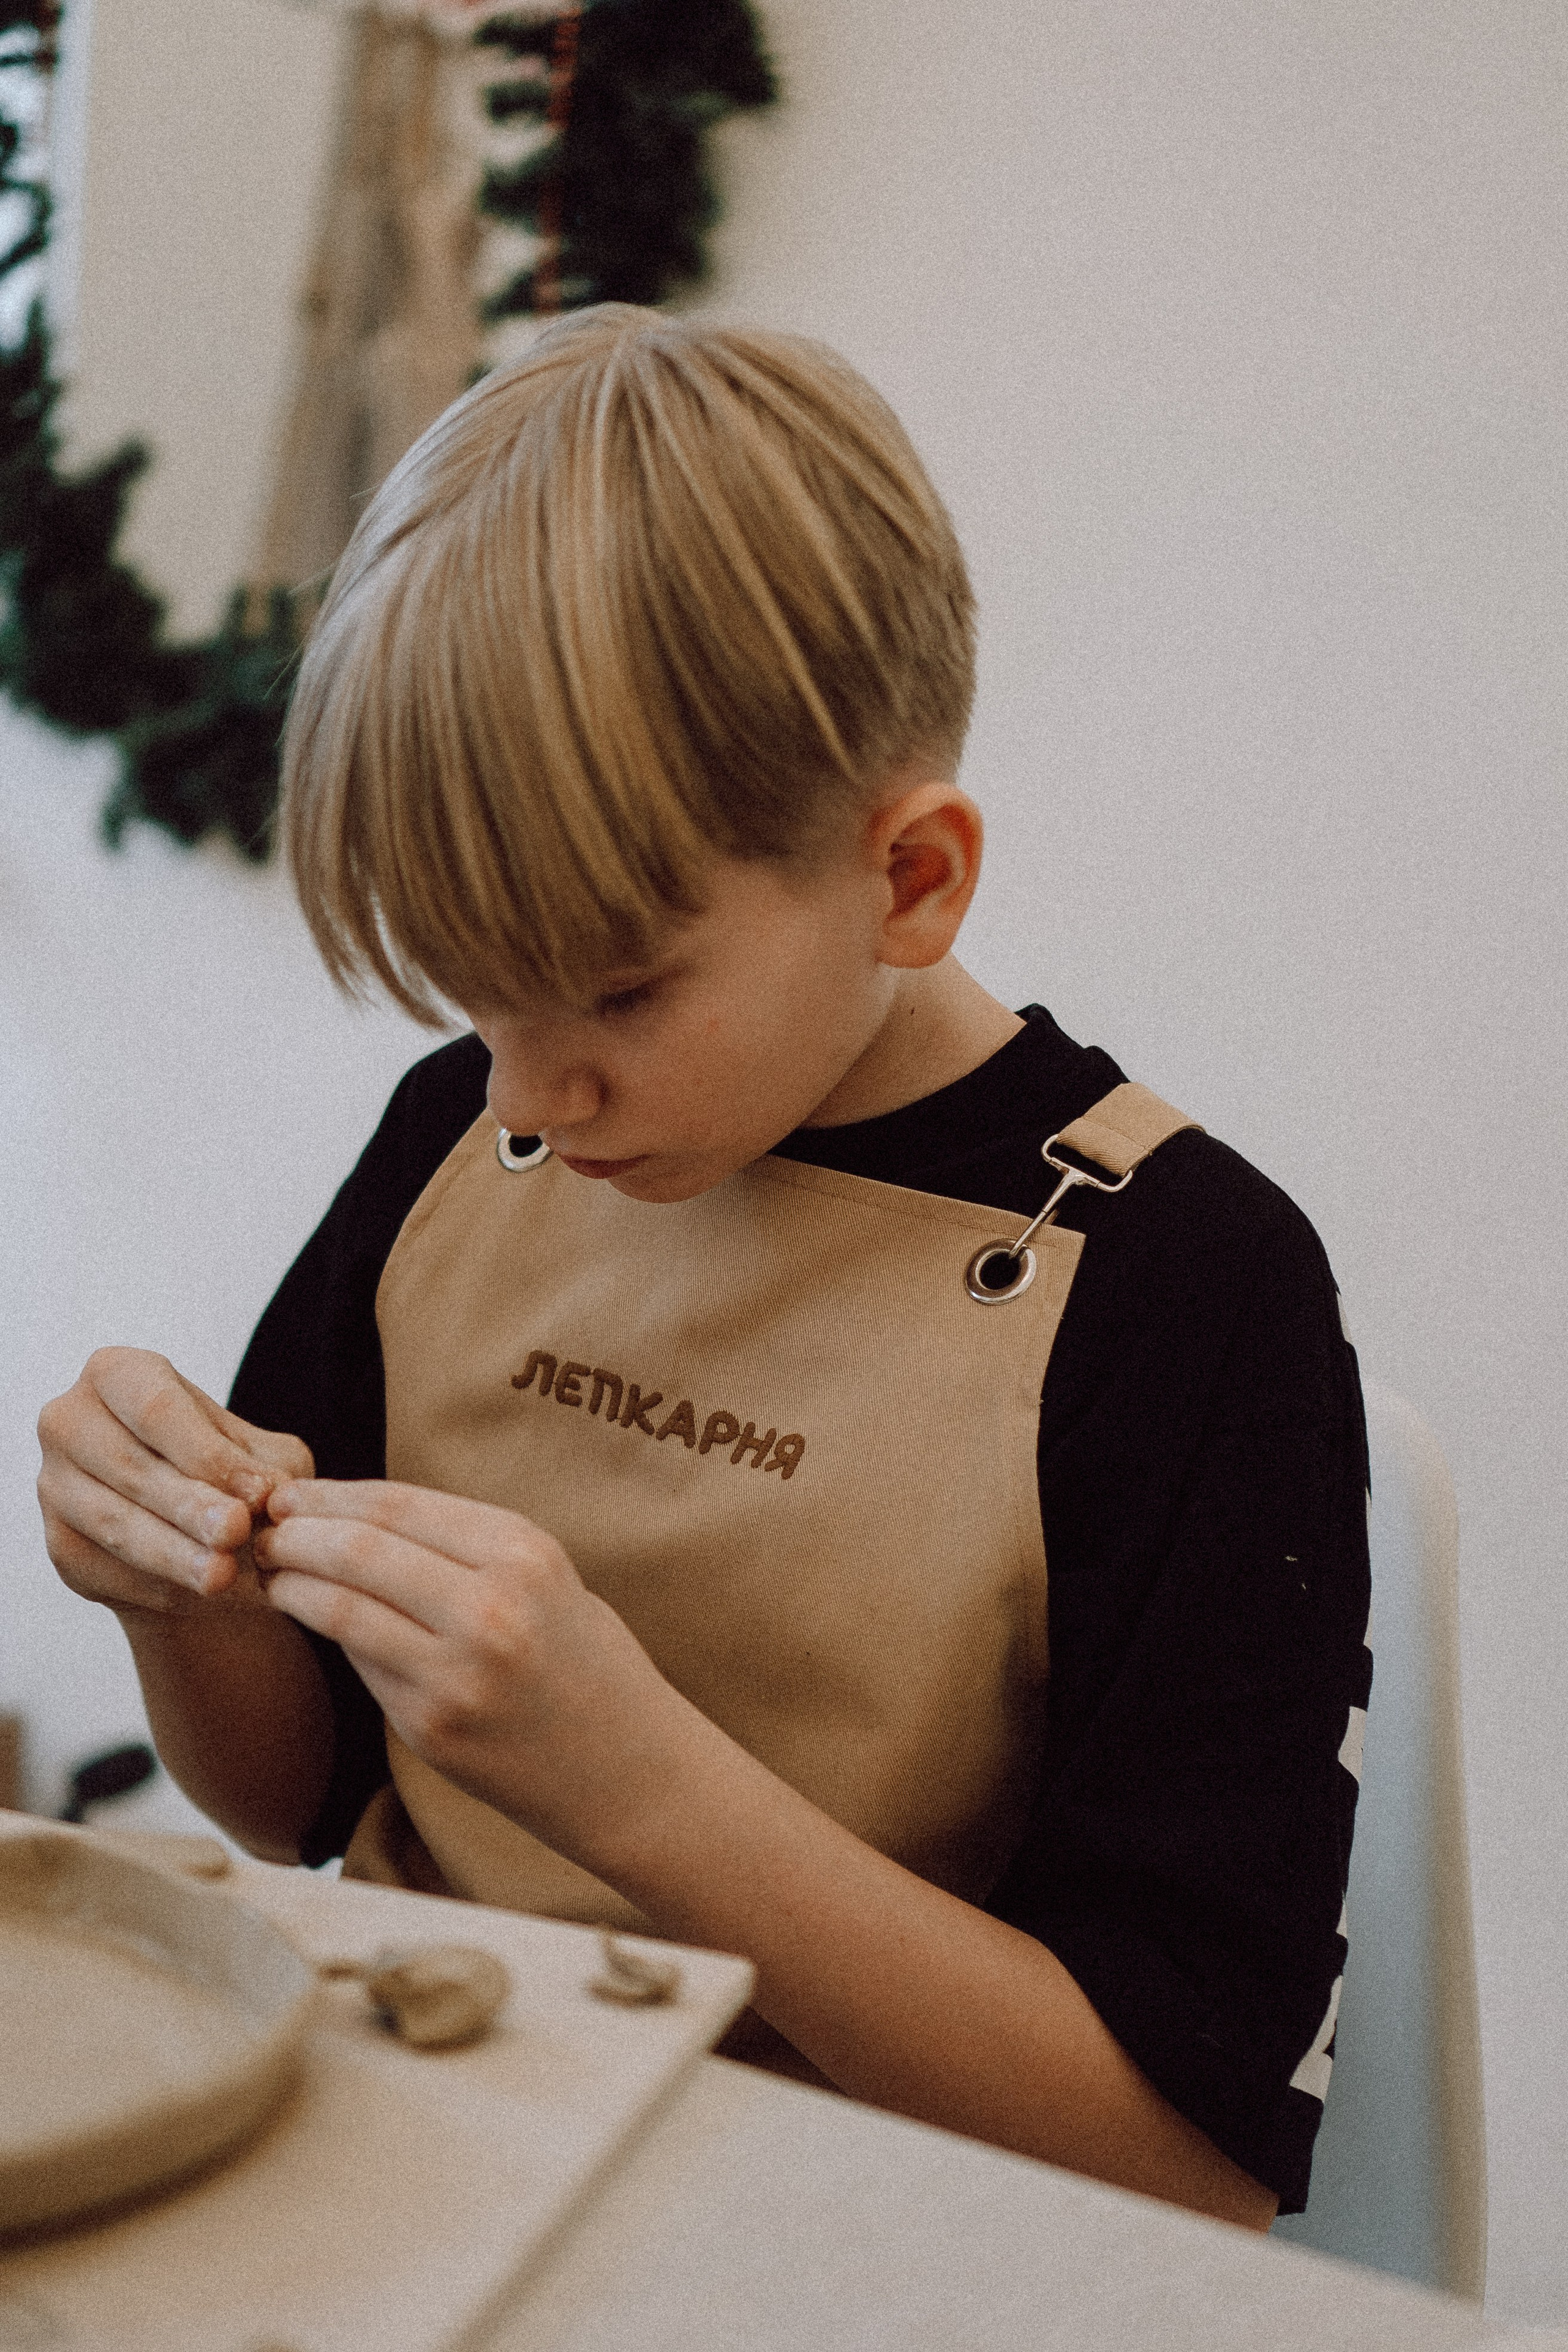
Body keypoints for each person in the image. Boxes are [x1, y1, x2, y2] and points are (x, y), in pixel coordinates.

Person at [37, 307, 1371, 2234]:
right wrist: (173, 1583)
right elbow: (294, 1803)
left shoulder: (1184, 1289)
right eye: (469, 994)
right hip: (425, 2155)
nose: (529, 1091)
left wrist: (634, 1781)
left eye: (614, 991)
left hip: (879, 2246)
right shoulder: (463, 1133)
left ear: (909, 878)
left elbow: (1183, 2167)